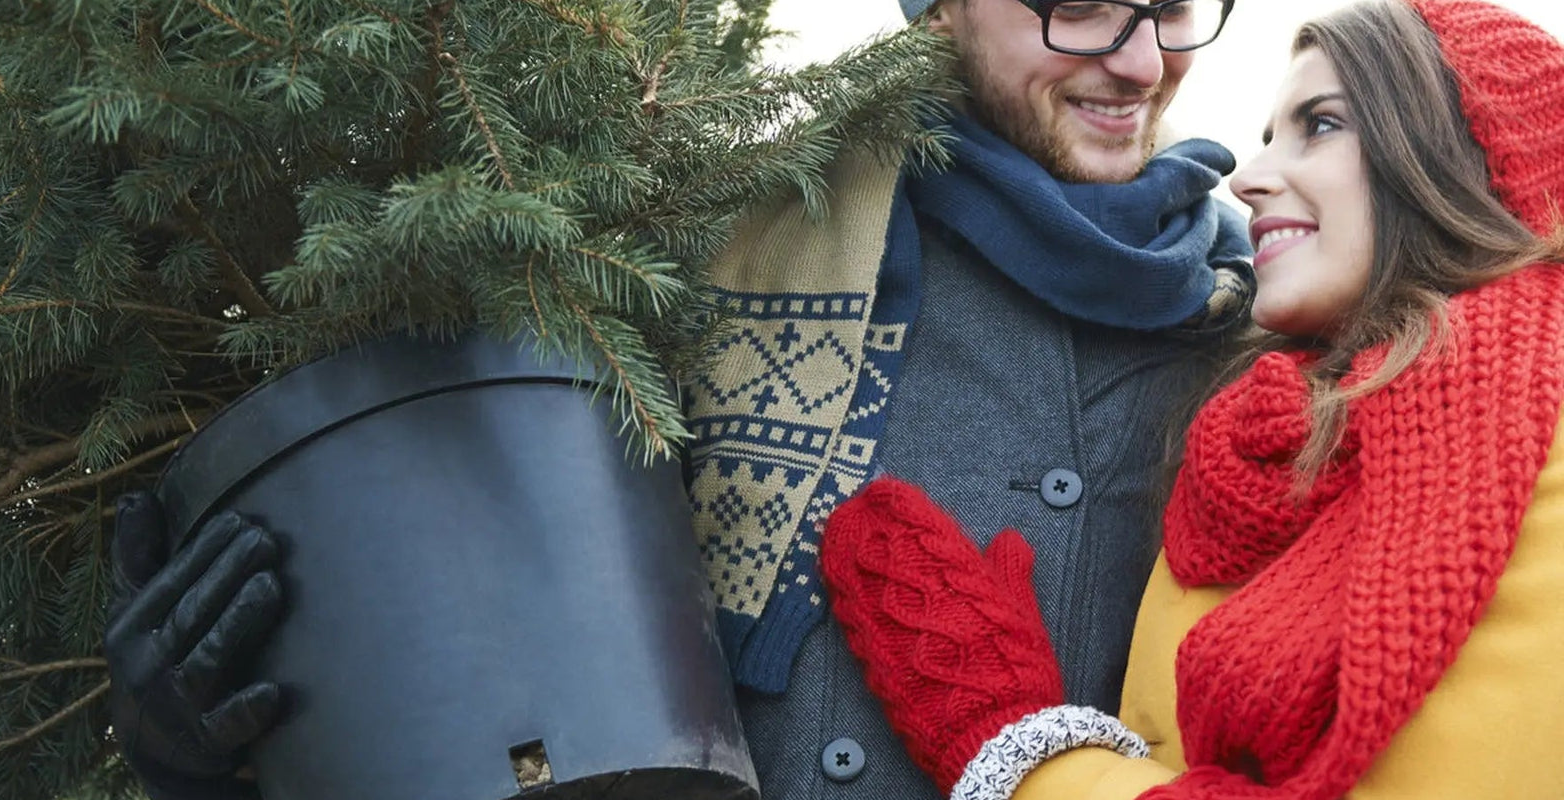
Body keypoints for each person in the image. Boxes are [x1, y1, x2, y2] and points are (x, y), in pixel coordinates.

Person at [100, 0, 1253, 798]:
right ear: (937, 9)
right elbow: (500, 710)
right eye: (1081, 5)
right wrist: (216, 755)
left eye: (1170, 8)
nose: (1142, 63)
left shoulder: (1268, 349)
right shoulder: (688, 262)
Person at [818, 2, 1564, 799]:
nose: (1249, 175)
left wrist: (1018, 747)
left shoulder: (1524, 421)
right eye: (1077, 6)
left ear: (1454, 160)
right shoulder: (1269, 421)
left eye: (1321, 124)